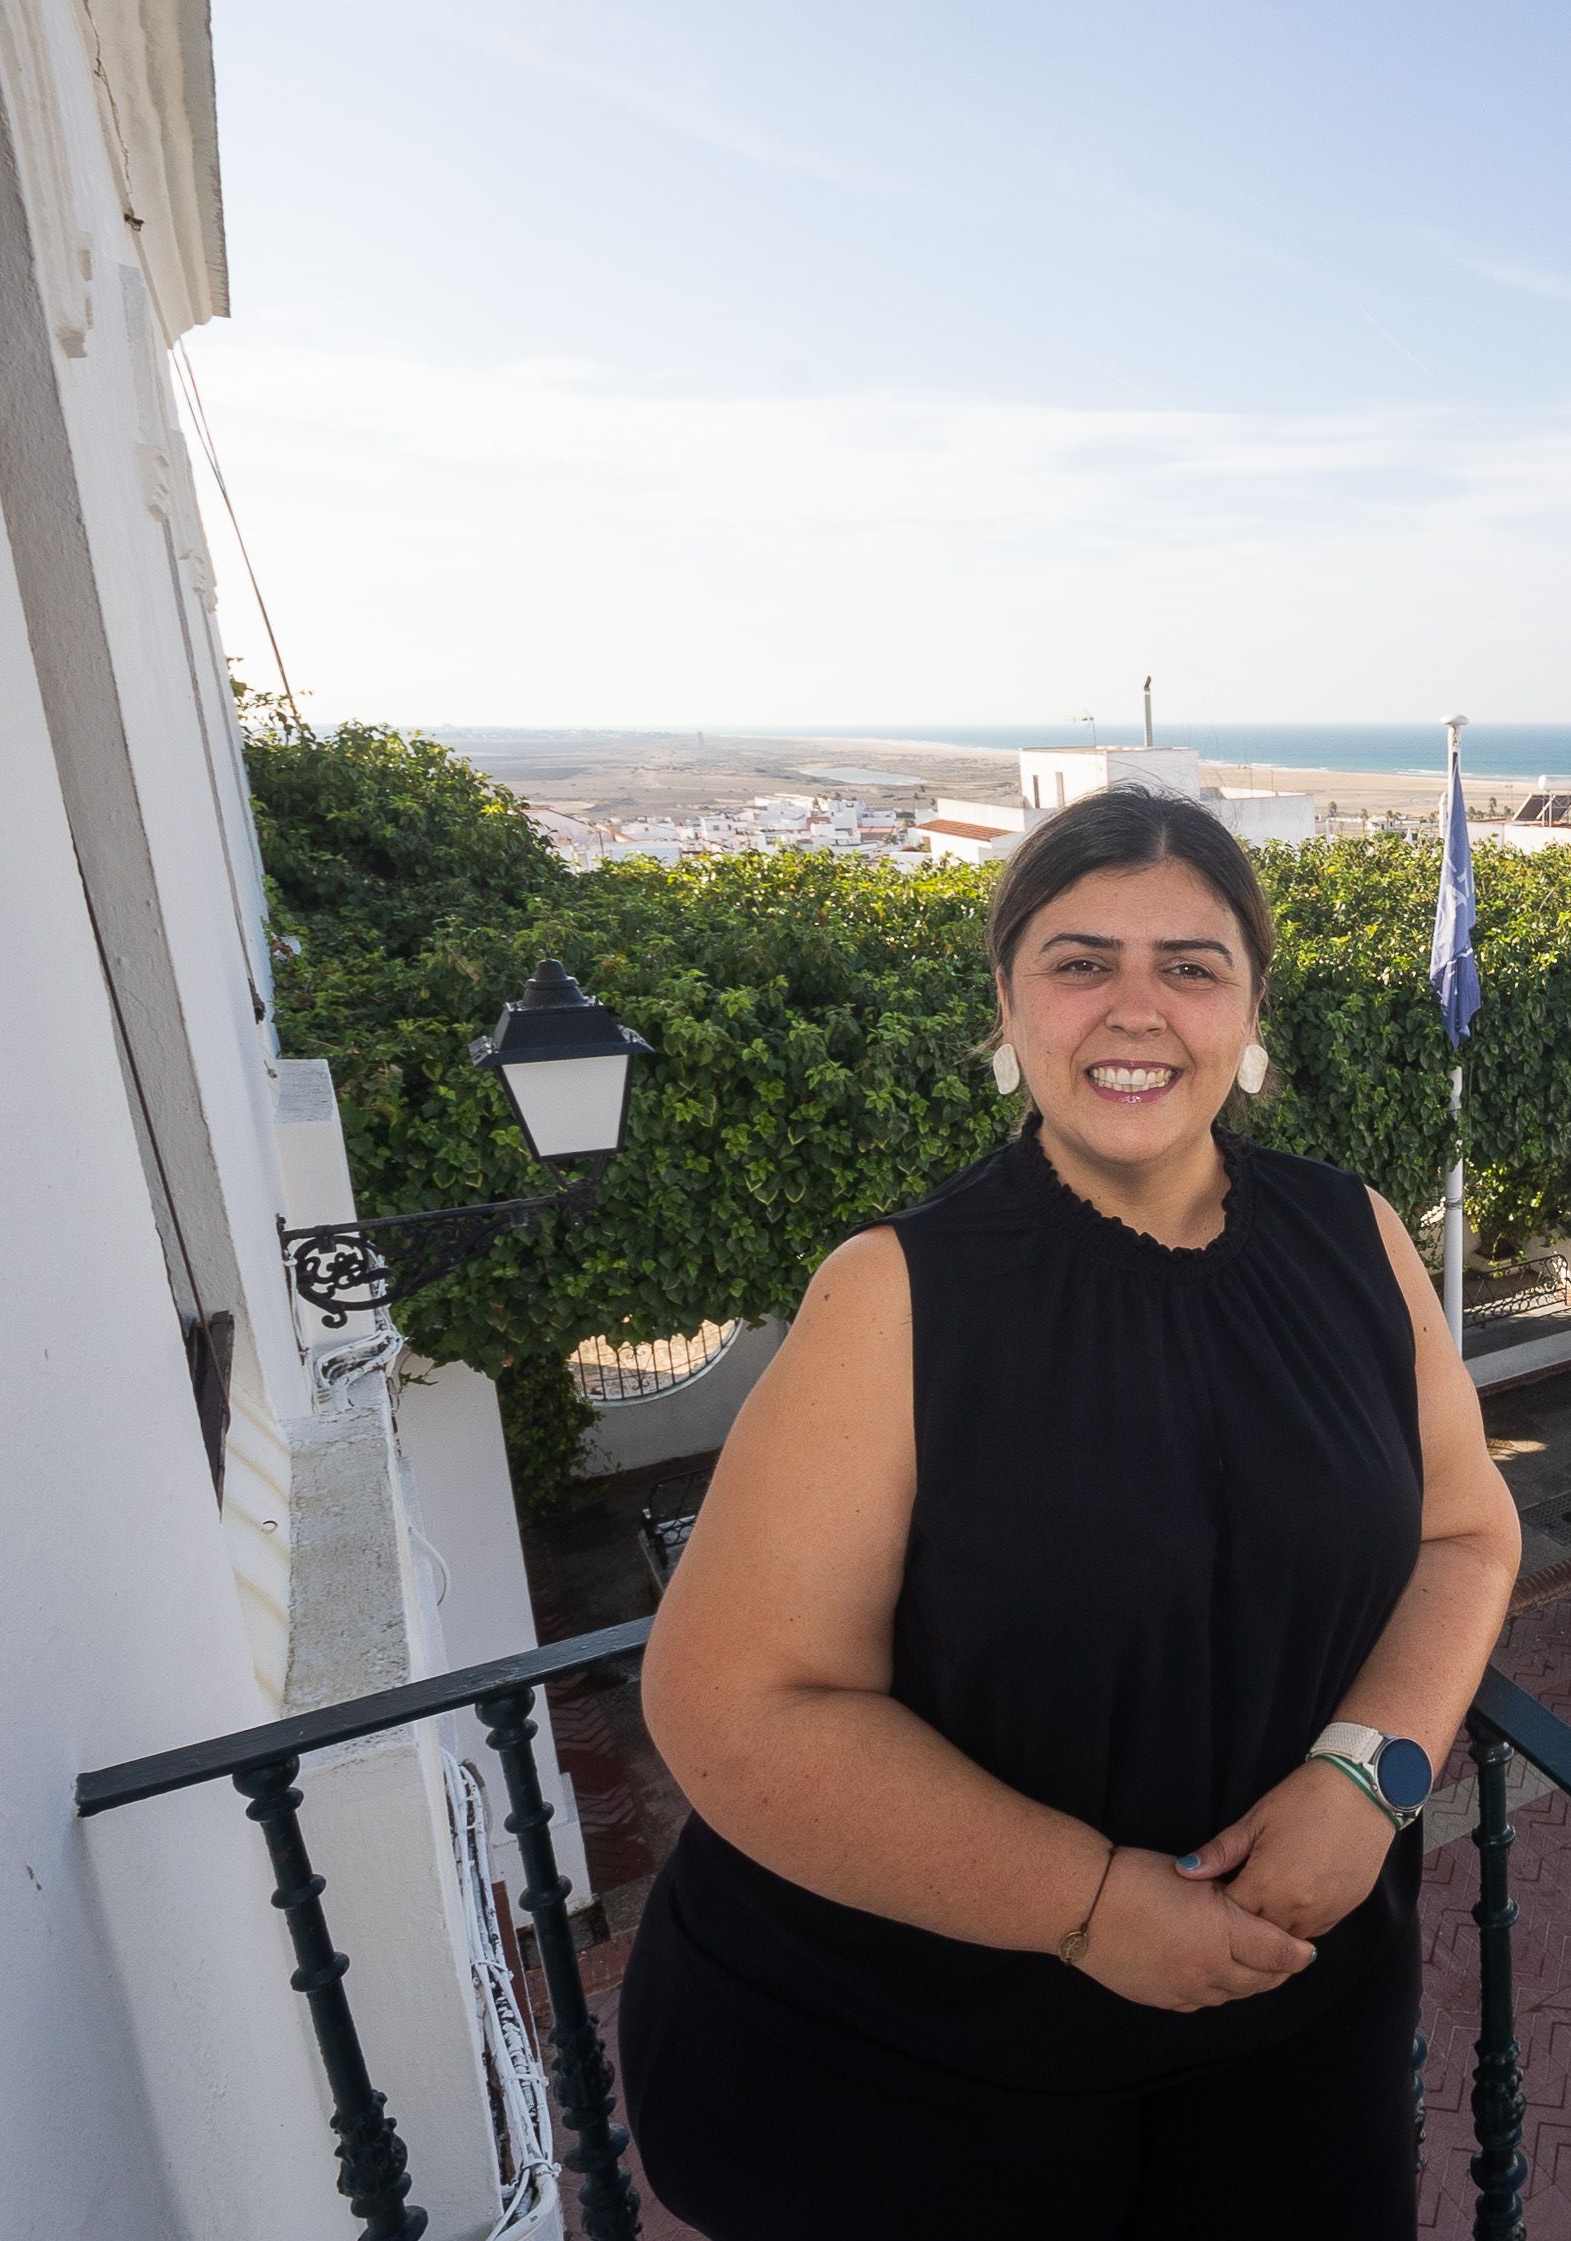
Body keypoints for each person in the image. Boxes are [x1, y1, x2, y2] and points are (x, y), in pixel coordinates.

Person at [619, 788, 1521, 2238]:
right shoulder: (896, 1295)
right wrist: (1089, 1904)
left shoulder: (1353, 1232)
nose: (1135, 1008)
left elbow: (1465, 1534)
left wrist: (1368, 1776)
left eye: (1191, 965)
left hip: (1288, 2030)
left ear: (1249, 1008)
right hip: (918, 2075)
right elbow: (734, 1703)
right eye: (1081, 961)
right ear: (1009, 1002)